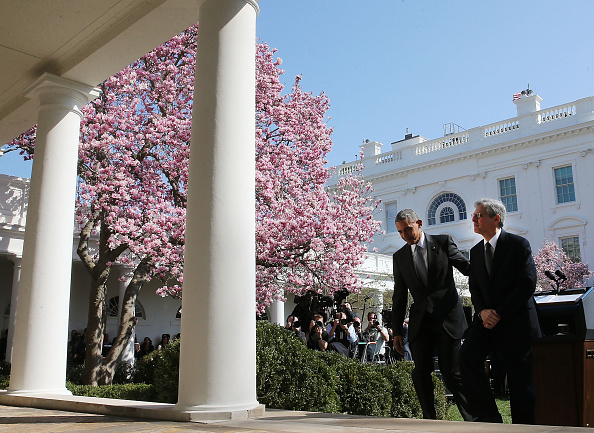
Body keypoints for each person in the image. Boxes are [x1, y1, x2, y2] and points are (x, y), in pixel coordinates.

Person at [460, 198, 541, 424]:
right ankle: (488, 417)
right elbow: (474, 287)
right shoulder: (475, 251)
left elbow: (527, 283)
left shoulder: (518, 245)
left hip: (516, 321)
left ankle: (525, 428)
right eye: (474, 215)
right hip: (486, 321)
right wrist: (483, 312)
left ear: (496, 219)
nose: (474, 219)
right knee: (466, 358)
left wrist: (498, 313)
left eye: (479, 215)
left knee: (519, 381)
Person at [392, 208, 472, 421]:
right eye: (400, 232)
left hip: (448, 318)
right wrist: (397, 331)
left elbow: (467, 268)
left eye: (408, 229)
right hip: (421, 322)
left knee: (451, 373)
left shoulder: (443, 242)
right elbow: (399, 296)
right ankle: (430, 420)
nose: (405, 235)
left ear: (419, 223)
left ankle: (473, 420)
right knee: (420, 372)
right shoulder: (399, 257)